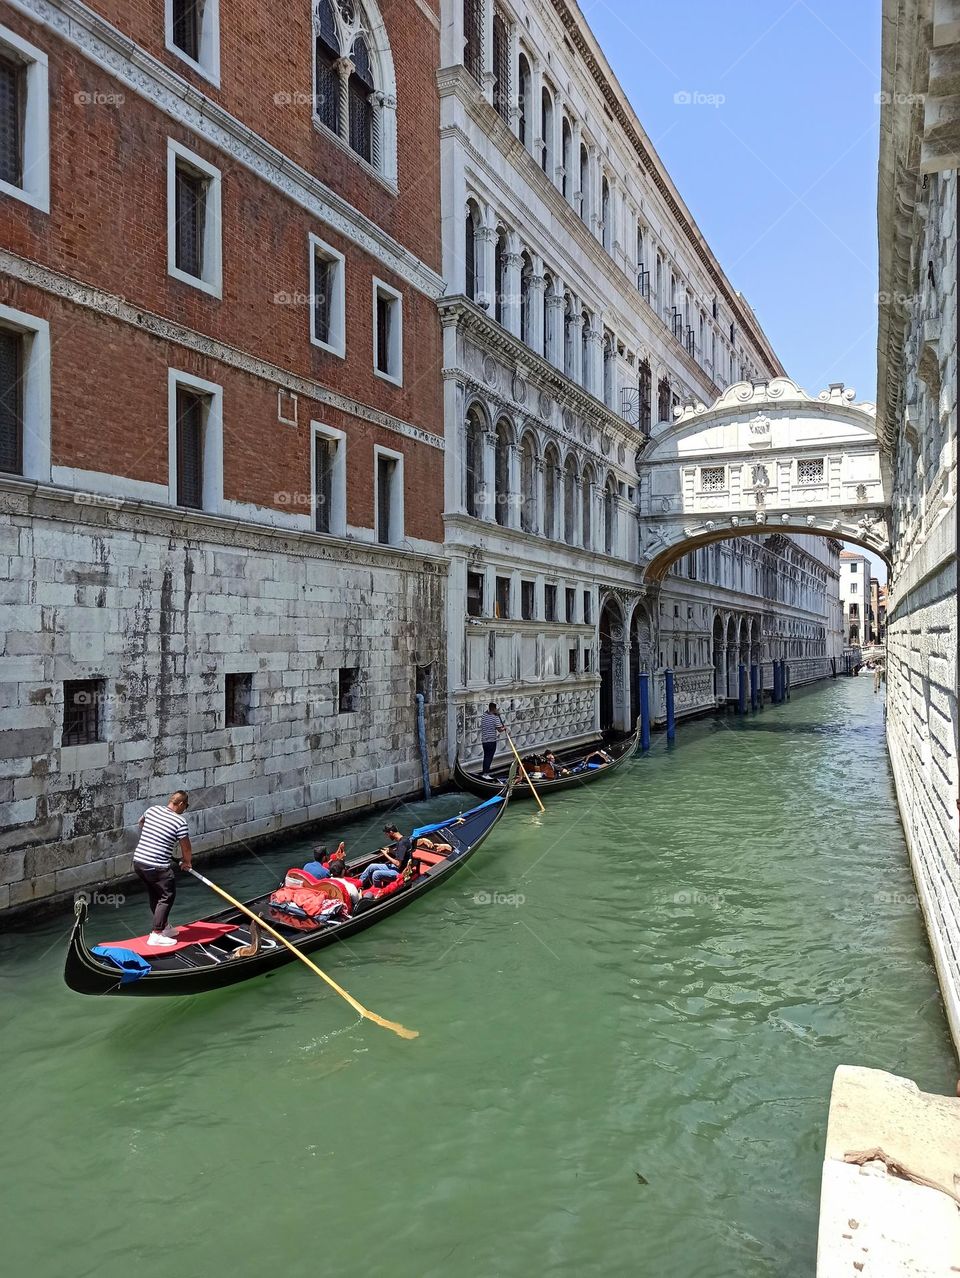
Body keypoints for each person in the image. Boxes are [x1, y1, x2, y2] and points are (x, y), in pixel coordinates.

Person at [132, 791, 192, 947]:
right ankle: (156, 934)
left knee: (156, 893)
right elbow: (186, 846)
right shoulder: (180, 822)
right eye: (186, 806)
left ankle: (164, 927)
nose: (185, 809)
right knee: (166, 895)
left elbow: (141, 823)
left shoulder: (152, 810)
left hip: (139, 862)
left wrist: (154, 836)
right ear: (180, 804)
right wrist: (186, 862)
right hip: (156, 865)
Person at [358, 825, 453, 889]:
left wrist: (386, 854)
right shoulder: (406, 839)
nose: (387, 836)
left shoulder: (402, 844)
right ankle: (358, 885)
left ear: (391, 832)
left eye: (387, 834)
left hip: (399, 871)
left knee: (376, 874)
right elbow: (401, 855)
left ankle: (378, 893)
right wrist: (391, 851)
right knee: (371, 866)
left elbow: (398, 864)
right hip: (399, 866)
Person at [480, 702, 506, 779]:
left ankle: (484, 773)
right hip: (491, 740)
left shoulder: (484, 716)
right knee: (489, 757)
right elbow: (499, 730)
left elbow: (488, 713)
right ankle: (486, 774)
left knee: (486, 756)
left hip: (484, 740)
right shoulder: (495, 718)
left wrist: (496, 713)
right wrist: (504, 728)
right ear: (494, 709)